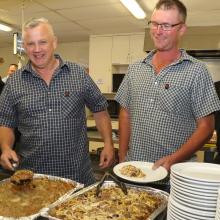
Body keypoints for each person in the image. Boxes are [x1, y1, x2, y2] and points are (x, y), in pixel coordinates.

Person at [115, 0, 220, 186]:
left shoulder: (197, 71)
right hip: (134, 171)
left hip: (176, 176)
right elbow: (125, 113)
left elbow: (206, 127)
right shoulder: (135, 69)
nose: (158, 30)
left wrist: (173, 159)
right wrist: (123, 155)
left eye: (166, 25)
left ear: (181, 29)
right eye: (154, 23)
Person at [0, 17, 115, 186]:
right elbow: (6, 123)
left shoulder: (77, 74)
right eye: (31, 44)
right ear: (24, 47)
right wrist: (6, 148)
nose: (37, 49)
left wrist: (108, 143)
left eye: (43, 42)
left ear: (54, 43)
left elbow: (100, 110)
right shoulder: (14, 82)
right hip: (33, 178)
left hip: (77, 176)